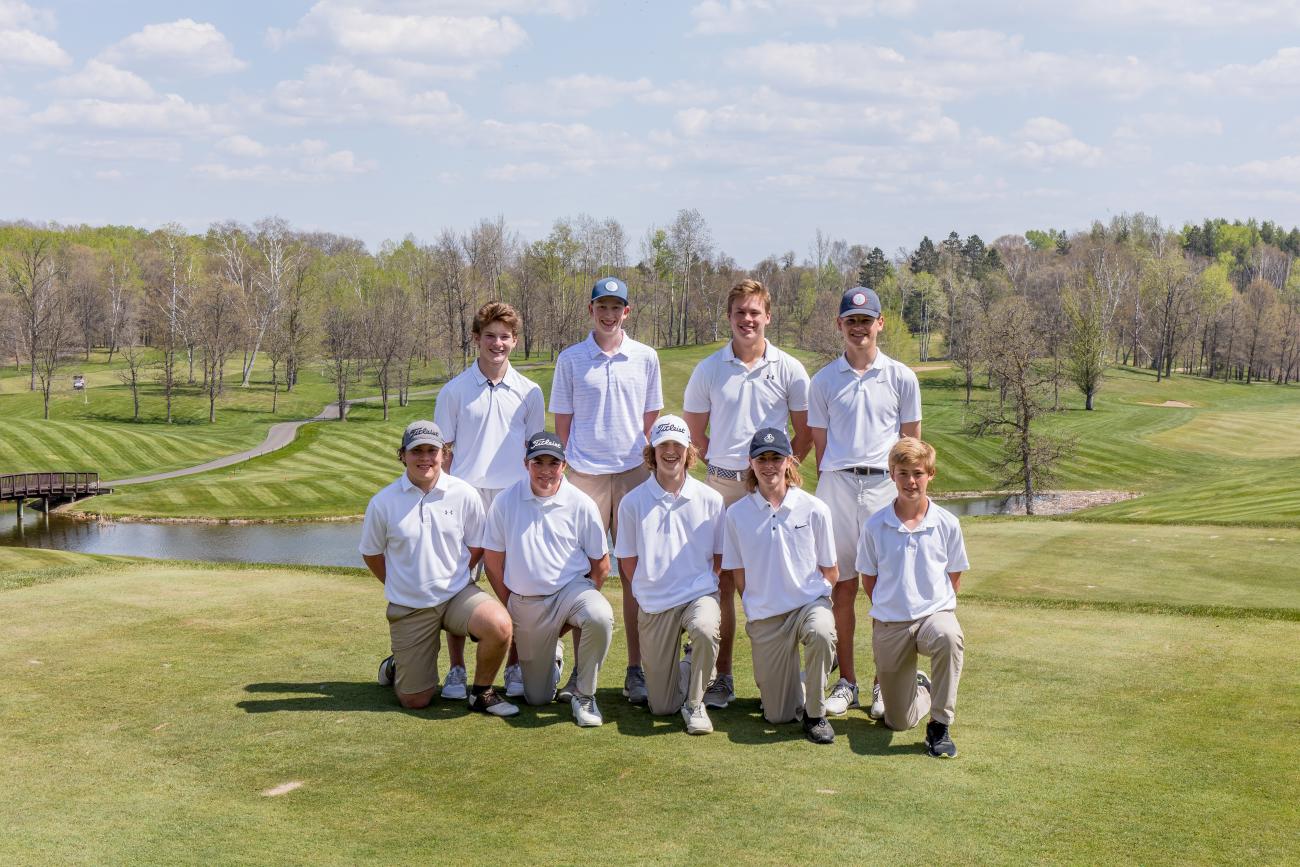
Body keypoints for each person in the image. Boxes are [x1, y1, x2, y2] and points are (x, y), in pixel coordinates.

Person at [682, 279, 811, 710]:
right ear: (730, 316)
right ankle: (722, 676)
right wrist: (721, 472)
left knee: (773, 580)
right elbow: (694, 437)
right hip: (721, 487)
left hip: (772, 486)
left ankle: (786, 676)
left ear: (768, 317)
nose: (747, 319)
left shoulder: (789, 368)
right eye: (740, 312)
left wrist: (783, 471)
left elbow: (806, 432)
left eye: (755, 312)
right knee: (722, 582)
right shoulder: (710, 369)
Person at [550, 276, 663, 705]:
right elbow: (563, 423)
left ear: (627, 312)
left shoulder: (645, 357)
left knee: (636, 575)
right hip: (585, 475)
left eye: (617, 307)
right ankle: (582, 672)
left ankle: (637, 670)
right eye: (602, 305)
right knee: (584, 577)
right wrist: (568, 471)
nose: (609, 313)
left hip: (634, 472)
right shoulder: (572, 359)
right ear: (591, 310)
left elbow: (650, 419)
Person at [811, 286, 922, 720]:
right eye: (850, 321)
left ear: (880, 324)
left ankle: (882, 684)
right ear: (840, 325)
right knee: (841, 585)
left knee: (884, 590)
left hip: (883, 487)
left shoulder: (901, 377)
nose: (859, 328)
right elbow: (821, 450)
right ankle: (848, 682)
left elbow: (912, 446)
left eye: (866, 320)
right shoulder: (822, 381)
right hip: (837, 484)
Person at [362, 421, 518, 718]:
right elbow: (372, 554)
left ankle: (481, 693)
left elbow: (476, 545)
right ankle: (398, 664)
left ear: (444, 454)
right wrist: (400, 583)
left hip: (457, 596)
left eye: (432, 450)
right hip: (411, 606)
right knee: (417, 700)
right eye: (416, 451)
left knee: (499, 625)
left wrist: (456, 574)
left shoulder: (463, 493)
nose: (425, 458)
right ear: (403, 455)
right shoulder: (383, 502)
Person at [435, 301, 546, 701]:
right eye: (489, 336)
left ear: (514, 341)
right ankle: (457, 670)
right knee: (458, 583)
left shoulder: (530, 392)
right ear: (476, 339)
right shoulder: (454, 391)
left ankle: (514, 666)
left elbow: (536, 452)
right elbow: (443, 454)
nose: (497, 344)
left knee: (515, 586)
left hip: (513, 500)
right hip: (465, 498)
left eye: (504, 336)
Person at [481, 431, 615, 727]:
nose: (545, 471)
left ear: (564, 465)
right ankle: (553, 657)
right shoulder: (506, 501)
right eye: (537, 462)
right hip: (526, 603)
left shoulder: (581, 503)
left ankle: (584, 694)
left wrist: (577, 610)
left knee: (599, 615)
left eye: (552, 463)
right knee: (537, 698)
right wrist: (511, 606)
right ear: (525, 463)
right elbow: (492, 562)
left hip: (571, 591)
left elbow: (601, 566)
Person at [722, 427, 839, 745]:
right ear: (751, 462)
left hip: (807, 606)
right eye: (762, 458)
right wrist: (757, 605)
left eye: (776, 458)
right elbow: (739, 575)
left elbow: (830, 571)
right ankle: (807, 678)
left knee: (821, 631)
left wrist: (820, 606)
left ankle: (815, 715)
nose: (769, 465)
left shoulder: (815, 509)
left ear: (790, 461)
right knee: (778, 715)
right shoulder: (736, 515)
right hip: (767, 617)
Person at [856, 438, 968, 758]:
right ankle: (921, 689)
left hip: (933, 616)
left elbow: (954, 577)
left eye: (917, 473)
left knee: (949, 635)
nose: (910, 481)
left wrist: (935, 608)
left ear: (930, 474)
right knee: (898, 722)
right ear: (892, 475)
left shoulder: (947, 523)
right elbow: (870, 580)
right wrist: (895, 606)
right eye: (903, 473)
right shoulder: (876, 525)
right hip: (891, 623)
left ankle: (939, 725)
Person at [614, 415, 724, 735]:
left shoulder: (711, 500)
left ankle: (696, 703)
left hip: (697, 594)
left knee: (704, 627)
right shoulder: (632, 502)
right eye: (664, 445)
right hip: (655, 602)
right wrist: (648, 590)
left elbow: (718, 559)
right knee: (662, 706)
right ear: (652, 451)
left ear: (689, 451)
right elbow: (629, 561)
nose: (671, 451)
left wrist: (702, 585)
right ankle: (691, 665)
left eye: (678, 445)